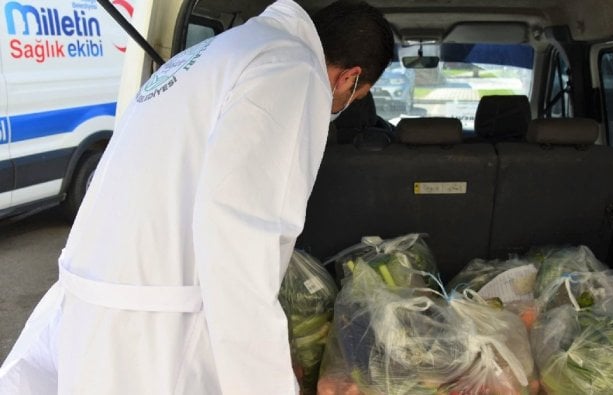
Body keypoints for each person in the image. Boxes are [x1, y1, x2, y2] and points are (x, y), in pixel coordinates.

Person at [0, 0, 393, 393]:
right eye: (354, 99)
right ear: (350, 78)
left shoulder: (209, 55)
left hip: (96, 311)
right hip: (153, 336)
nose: (341, 107)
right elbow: (240, 241)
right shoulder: (291, 70)